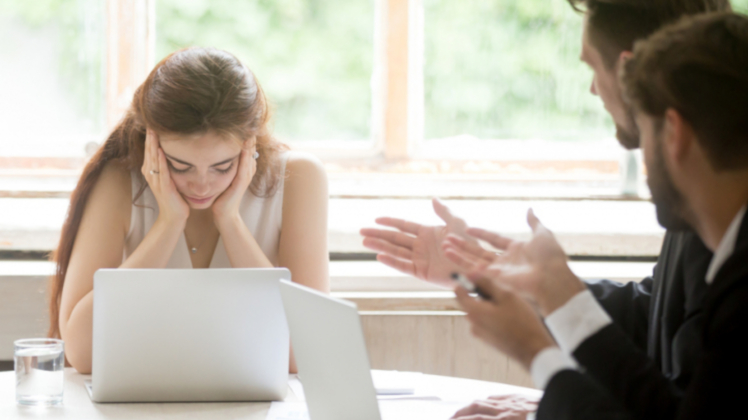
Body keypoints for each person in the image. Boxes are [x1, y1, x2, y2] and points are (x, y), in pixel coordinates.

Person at [361, 1, 728, 418]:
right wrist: (512, 279)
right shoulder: (704, 194)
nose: (592, 89)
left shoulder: (713, 213)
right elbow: (654, 323)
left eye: (592, 66)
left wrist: (544, 365)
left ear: (629, 73)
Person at [48, 47, 330, 374]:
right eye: (180, 166)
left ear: (249, 142)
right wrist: (169, 223)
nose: (201, 185)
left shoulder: (299, 179)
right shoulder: (118, 182)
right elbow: (83, 353)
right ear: (152, 142)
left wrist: (231, 222)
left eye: (222, 167)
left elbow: (308, 353)